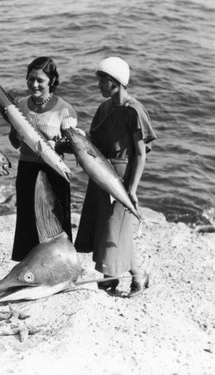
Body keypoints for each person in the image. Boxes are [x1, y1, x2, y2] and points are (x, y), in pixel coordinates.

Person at [74, 57, 157, 297]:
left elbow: (141, 154)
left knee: (114, 228)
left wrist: (132, 188)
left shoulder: (134, 110)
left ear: (117, 82)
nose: (99, 86)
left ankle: (115, 278)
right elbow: (95, 143)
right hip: (101, 173)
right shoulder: (104, 108)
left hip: (120, 177)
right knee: (105, 227)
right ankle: (130, 276)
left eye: (103, 81)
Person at [4, 56, 79, 262]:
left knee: (56, 219)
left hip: (54, 170)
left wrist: (55, 145)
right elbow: (16, 143)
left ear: (52, 81)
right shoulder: (20, 105)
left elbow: (74, 147)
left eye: (40, 80)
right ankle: (29, 265)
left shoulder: (64, 109)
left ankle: (61, 263)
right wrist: (12, 124)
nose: (34, 84)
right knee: (27, 219)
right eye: (30, 79)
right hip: (27, 168)